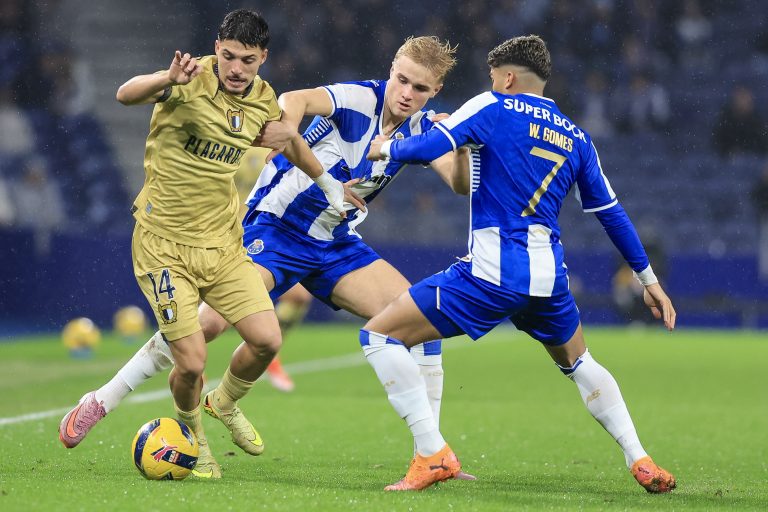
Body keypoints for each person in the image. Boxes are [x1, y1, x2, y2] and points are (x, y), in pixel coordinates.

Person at [58, 35, 474, 479]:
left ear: (434, 93)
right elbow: (294, 99)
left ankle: (430, 455)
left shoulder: (424, 130)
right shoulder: (357, 99)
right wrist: (285, 132)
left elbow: (460, 184)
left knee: (421, 320)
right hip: (273, 228)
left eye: (420, 89)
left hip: (334, 243)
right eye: (402, 80)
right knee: (208, 324)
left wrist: (463, 144)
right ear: (391, 71)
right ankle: (103, 397)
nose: (407, 94)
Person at [363, 35, 677, 493]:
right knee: (579, 361)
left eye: (495, 78)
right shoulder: (576, 136)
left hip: (491, 272)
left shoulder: (492, 104)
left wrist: (383, 149)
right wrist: (649, 279)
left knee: (379, 335)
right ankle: (640, 457)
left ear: (507, 78)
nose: (493, 83)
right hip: (548, 279)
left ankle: (432, 453)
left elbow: (431, 148)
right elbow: (612, 214)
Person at [58, 9, 356, 480]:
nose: (237, 69)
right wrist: (165, 77)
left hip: (223, 245)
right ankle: (191, 435)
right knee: (192, 361)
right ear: (217, 47)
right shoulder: (187, 79)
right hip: (164, 245)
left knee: (266, 339)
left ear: (263, 59)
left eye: (249, 60)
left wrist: (330, 187)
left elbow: (288, 137)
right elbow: (124, 94)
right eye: (230, 56)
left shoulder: (261, 98)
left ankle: (225, 403)